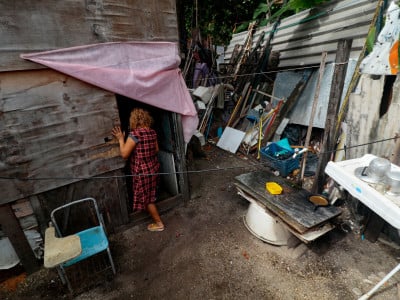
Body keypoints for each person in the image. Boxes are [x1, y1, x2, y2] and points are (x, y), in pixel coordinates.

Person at [112, 108, 164, 232]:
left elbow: (124, 154)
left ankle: (159, 223)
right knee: (150, 194)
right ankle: (154, 217)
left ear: (134, 120)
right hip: (153, 167)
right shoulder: (152, 132)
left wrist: (120, 139)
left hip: (142, 171)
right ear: (146, 119)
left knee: (147, 199)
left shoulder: (135, 134)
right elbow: (156, 150)